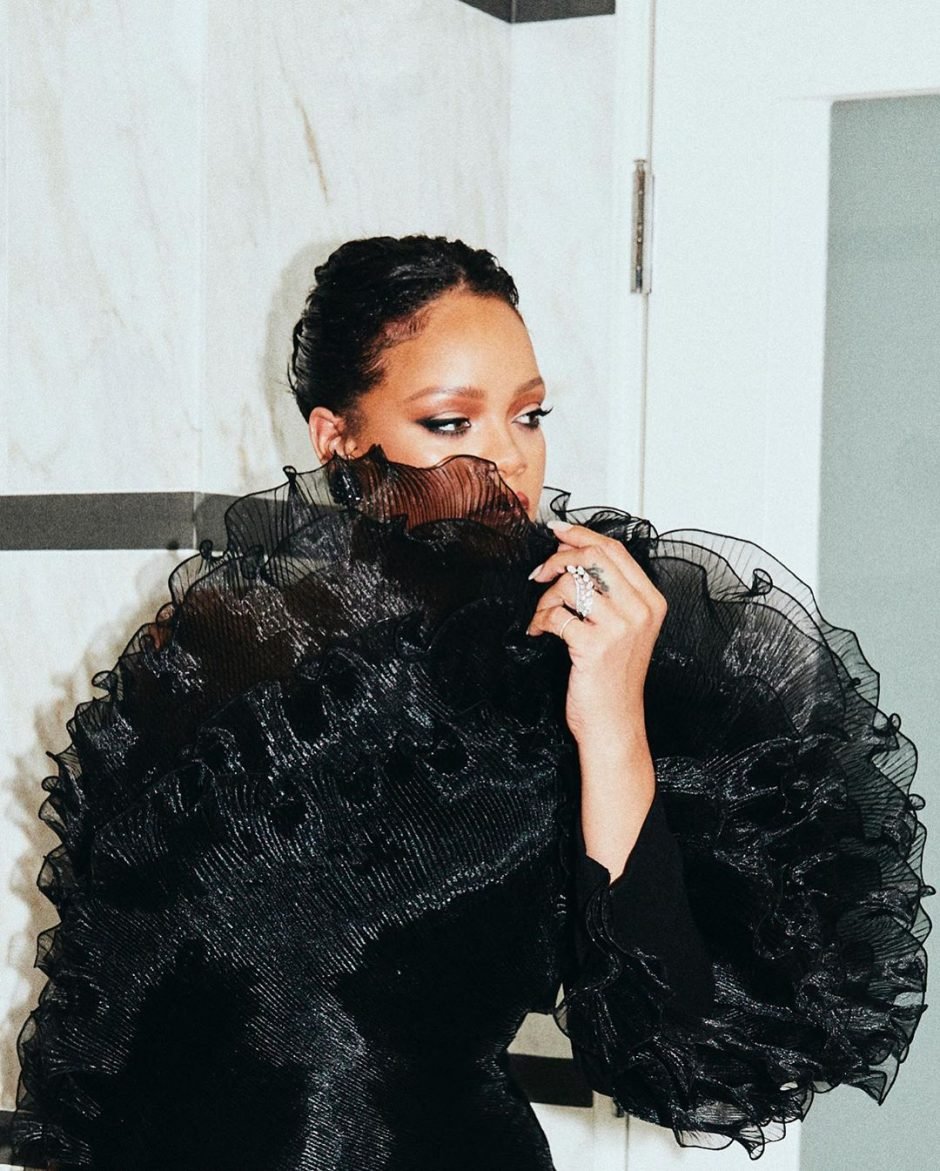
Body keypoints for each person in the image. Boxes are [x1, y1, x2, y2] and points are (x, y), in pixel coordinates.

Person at [5, 235, 932, 1171]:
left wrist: (611, 720)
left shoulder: (591, 654)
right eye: (451, 423)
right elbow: (118, 1006)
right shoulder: (230, 641)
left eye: (529, 416)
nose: (506, 461)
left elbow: (681, 1048)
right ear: (336, 439)